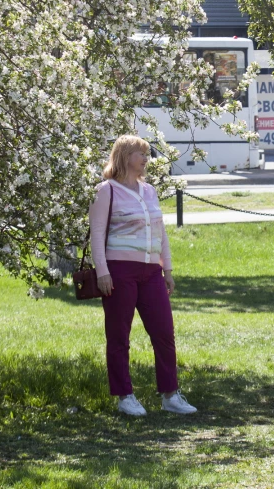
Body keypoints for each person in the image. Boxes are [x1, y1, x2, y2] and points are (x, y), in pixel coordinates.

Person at [89, 134, 197, 416]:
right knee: (119, 335)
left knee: (164, 332)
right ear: (125, 157)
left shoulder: (148, 191)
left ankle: (170, 395)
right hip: (119, 271)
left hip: (151, 272)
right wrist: (102, 271)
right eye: (142, 155)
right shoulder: (106, 190)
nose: (146, 160)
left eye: (147, 155)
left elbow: (160, 232)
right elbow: (97, 235)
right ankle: (125, 396)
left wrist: (167, 268)